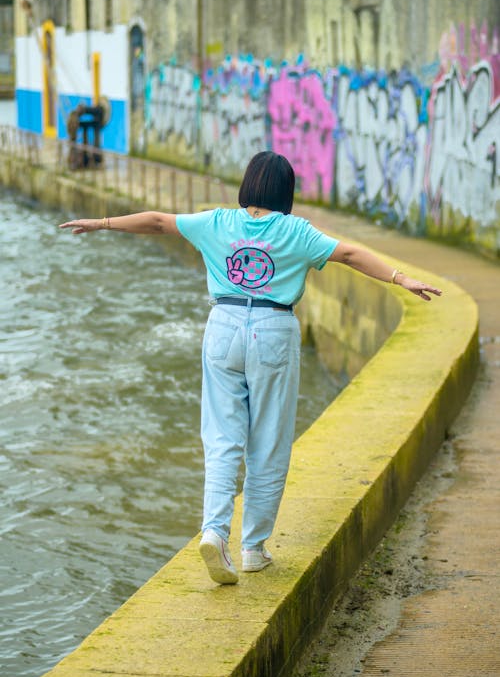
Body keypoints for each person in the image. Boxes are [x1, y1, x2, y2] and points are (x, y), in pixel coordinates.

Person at [60, 151, 441, 586]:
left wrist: (101, 223)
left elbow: (158, 221)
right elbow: (351, 253)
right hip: (273, 329)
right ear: (286, 191)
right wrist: (400, 278)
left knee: (221, 437)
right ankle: (253, 548)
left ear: (247, 185)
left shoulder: (218, 222)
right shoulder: (295, 231)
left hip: (222, 326)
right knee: (269, 442)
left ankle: (214, 531)